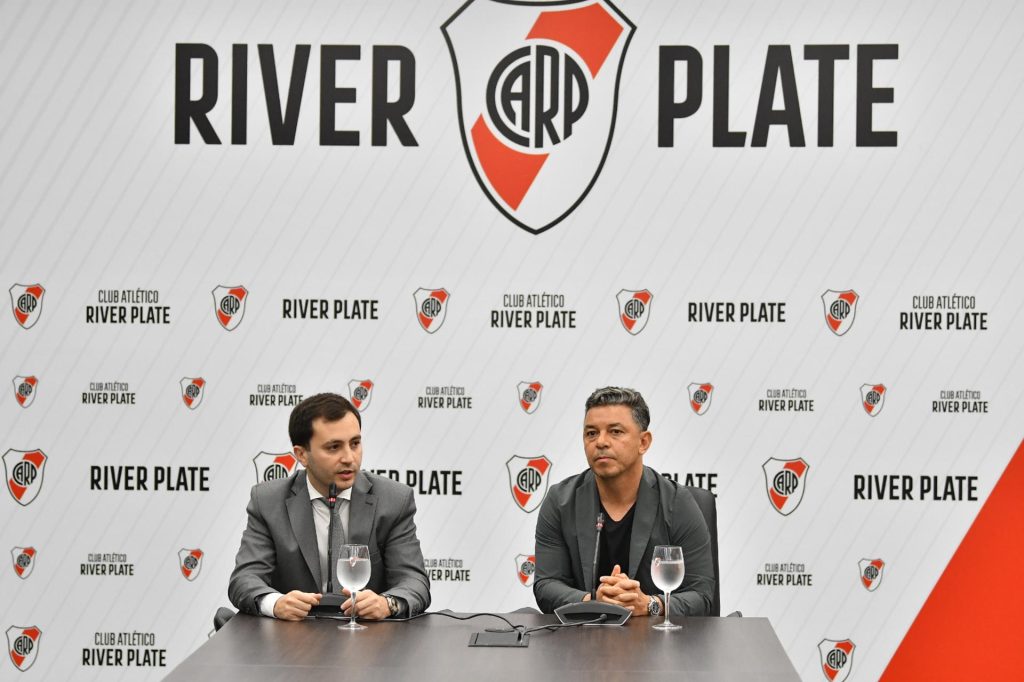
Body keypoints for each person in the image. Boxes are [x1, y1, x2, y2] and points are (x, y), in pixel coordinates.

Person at [228, 393, 430, 621]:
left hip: (370, 642)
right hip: (293, 642)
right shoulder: (267, 501)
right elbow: (244, 579)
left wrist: (388, 603)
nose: (349, 458)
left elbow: (414, 582)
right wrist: (276, 603)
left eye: (355, 443)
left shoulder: (393, 500)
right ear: (302, 455)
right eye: (334, 447)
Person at [533, 386, 714, 617]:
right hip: (581, 641)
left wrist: (649, 604)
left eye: (615, 432)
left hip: (658, 644)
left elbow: (703, 595)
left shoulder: (678, 503)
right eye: (591, 433)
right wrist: (593, 600)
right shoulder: (560, 501)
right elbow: (546, 585)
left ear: (643, 442)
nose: (600, 442)